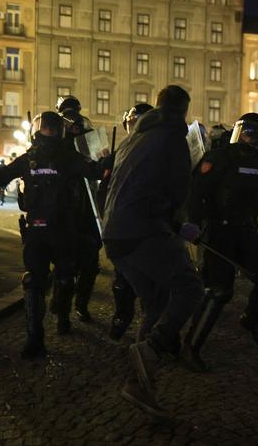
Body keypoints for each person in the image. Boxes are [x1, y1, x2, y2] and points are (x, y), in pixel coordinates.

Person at [103, 85, 203, 415]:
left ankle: (138, 382)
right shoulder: (174, 137)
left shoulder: (136, 136)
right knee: (189, 287)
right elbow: (176, 193)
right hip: (143, 229)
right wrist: (180, 225)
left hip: (115, 234)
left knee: (156, 301)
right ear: (183, 112)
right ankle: (152, 349)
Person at [0, 112, 99, 358]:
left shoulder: (68, 157)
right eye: (47, 129)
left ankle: (62, 317)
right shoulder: (30, 157)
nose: (50, 133)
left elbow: (92, 171)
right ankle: (35, 338)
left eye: (53, 129)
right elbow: (5, 173)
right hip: (39, 228)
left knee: (65, 278)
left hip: (63, 229)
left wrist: (107, 163)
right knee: (33, 282)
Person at [182, 112, 258, 373]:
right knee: (219, 290)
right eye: (247, 131)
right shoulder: (219, 156)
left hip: (245, 229)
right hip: (218, 230)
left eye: (255, 134)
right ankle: (191, 345)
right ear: (239, 131)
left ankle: (251, 320)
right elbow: (197, 191)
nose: (250, 137)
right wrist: (194, 222)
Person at [49, 107, 103, 333]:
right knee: (64, 269)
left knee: (89, 266)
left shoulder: (87, 149)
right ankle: (62, 313)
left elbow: (97, 175)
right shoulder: (56, 152)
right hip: (64, 216)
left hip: (87, 215)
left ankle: (80, 305)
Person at [107, 103, 153, 341]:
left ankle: (151, 324)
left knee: (152, 278)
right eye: (132, 123)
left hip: (149, 225)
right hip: (123, 224)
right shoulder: (121, 152)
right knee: (122, 280)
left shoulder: (158, 151)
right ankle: (122, 316)